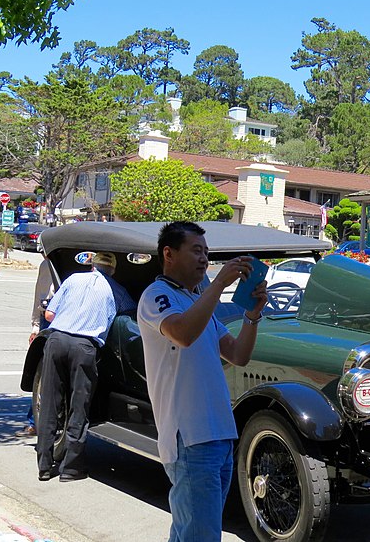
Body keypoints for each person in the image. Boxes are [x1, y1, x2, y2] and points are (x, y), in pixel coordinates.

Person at [137, 221, 268, 542]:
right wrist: (218, 285)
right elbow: (181, 333)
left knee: (193, 534)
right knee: (201, 536)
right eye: (196, 251)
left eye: (207, 253)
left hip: (219, 435)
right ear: (168, 253)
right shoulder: (157, 295)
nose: (204, 259)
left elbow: (238, 354)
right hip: (190, 438)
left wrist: (253, 315)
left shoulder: (200, 305)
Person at [36, 252, 136, 482]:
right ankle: (71, 469)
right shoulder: (117, 291)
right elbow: (129, 318)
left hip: (57, 340)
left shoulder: (72, 279)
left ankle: (44, 465)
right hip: (85, 347)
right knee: (79, 406)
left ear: (92, 265)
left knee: (50, 402)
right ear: (112, 270)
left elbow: (50, 313)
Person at [16, 259, 54, 437]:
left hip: (63, 314)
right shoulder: (47, 265)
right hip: (49, 315)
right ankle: (35, 421)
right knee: (43, 370)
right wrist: (36, 325)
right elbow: (40, 295)